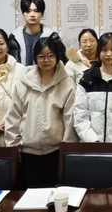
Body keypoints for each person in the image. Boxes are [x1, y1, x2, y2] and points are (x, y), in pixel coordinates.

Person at [5, 33, 75, 188]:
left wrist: (67, 150)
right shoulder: (23, 83)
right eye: (41, 56)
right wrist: (13, 146)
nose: (46, 60)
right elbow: (13, 116)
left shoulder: (67, 83)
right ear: (35, 58)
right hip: (27, 153)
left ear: (57, 56)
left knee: (55, 194)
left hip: (56, 151)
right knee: (31, 195)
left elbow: (70, 120)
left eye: (50, 55)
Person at [9, 0, 56, 66]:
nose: (32, 15)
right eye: (28, 11)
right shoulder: (14, 37)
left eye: (36, 11)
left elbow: (60, 62)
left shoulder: (52, 36)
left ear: (42, 14)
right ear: (23, 14)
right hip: (21, 73)